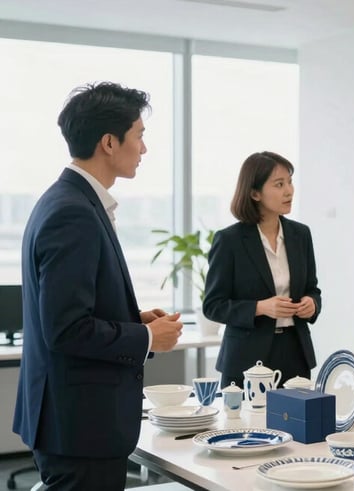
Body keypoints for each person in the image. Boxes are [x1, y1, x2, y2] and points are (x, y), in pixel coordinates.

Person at [13, 82, 184, 490]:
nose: (144, 149)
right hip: (81, 427)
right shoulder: (73, 213)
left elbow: (69, 311)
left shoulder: (67, 201)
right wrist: (145, 337)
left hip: (75, 423)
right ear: (109, 142)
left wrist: (132, 318)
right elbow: (66, 329)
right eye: (139, 136)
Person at [203, 151, 321, 390]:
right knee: (246, 425)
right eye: (279, 184)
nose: (289, 191)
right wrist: (260, 307)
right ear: (255, 193)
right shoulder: (229, 240)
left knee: (297, 426)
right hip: (245, 359)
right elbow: (213, 306)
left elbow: (312, 288)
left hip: (295, 354)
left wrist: (312, 303)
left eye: (289, 182)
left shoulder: (301, 235)